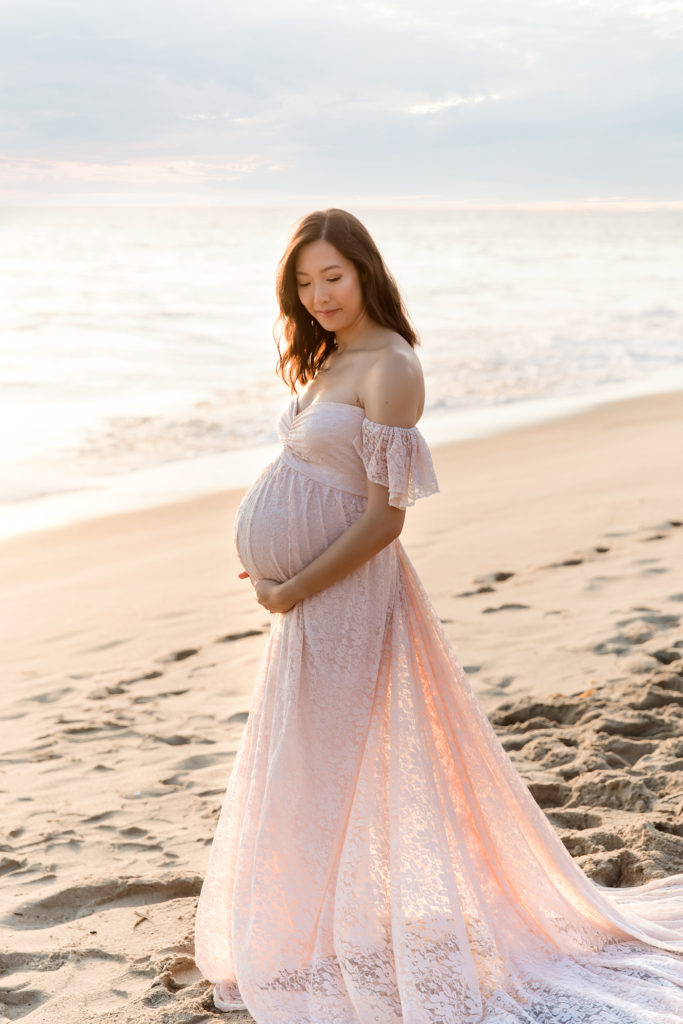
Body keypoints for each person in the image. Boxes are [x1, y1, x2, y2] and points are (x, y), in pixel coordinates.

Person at [194, 208, 683, 1023]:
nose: (318, 295)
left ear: (365, 271)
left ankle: (323, 931)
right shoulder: (332, 355)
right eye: (304, 282)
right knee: (307, 757)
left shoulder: (391, 366)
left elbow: (384, 521)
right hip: (309, 591)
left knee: (327, 762)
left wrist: (292, 583)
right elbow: (320, 475)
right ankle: (314, 926)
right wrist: (277, 546)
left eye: (332, 277)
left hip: (340, 594)